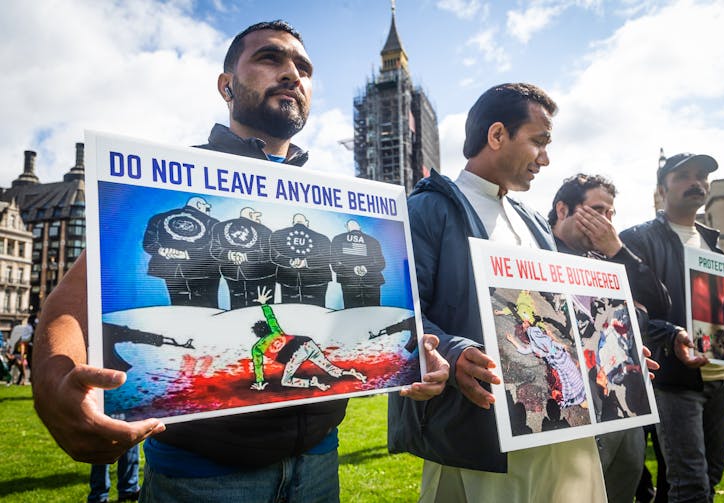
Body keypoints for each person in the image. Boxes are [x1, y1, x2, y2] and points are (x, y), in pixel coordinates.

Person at [31, 20, 448, 503]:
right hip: (201, 476)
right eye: (270, 59)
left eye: (304, 67)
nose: (292, 73)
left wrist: (414, 357)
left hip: (319, 463)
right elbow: (69, 304)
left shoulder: (337, 204)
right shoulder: (165, 178)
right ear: (226, 86)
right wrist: (52, 382)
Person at [388, 83, 607, 501]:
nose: (546, 158)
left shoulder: (534, 222)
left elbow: (557, 315)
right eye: (538, 141)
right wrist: (451, 353)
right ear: (496, 135)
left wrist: (607, 339)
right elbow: (398, 311)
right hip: (479, 436)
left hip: (562, 427)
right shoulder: (427, 210)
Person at [620, 152, 724, 502]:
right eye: (684, 176)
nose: (696, 182)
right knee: (688, 484)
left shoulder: (714, 245)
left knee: (710, 476)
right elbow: (631, 309)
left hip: (721, 376)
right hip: (675, 378)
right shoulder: (637, 240)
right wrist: (671, 335)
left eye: (702, 176)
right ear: (662, 188)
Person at [549, 173, 663, 503]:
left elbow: (657, 303)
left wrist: (616, 249)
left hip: (621, 411)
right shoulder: (534, 252)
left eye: (611, 214)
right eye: (597, 210)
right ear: (562, 209)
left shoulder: (608, 262)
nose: (607, 222)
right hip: (570, 416)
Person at [143, 196, 221, 308]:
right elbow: (214, 248)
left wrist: (162, 251)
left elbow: (149, 243)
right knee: (208, 308)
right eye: (207, 208)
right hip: (204, 271)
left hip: (172, 272)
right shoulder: (213, 223)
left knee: (180, 307)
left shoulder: (159, 218)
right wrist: (186, 254)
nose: (208, 212)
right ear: (199, 205)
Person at [210, 207, 276, 309]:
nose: (258, 219)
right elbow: (268, 253)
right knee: (261, 309)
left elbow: (214, 250)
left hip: (232, 276)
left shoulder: (219, 227)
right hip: (260, 276)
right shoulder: (264, 230)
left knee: (238, 308)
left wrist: (231, 255)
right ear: (250, 215)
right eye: (256, 216)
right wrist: (245, 256)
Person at [271, 213, 332, 306]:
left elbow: (275, 256)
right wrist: (306, 262)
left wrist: (290, 262)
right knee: (316, 310)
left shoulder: (278, 235)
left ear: (293, 223)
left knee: (291, 310)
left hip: (288, 281)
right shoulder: (322, 238)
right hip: (317, 281)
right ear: (307, 223)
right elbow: (327, 258)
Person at [332, 219, 386, 308]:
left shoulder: (338, 239)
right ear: (360, 228)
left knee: (352, 312)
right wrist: (366, 268)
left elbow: (335, 265)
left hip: (349, 283)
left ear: (347, 227)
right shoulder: (373, 240)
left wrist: (352, 269)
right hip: (372, 282)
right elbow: (381, 263)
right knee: (374, 312)